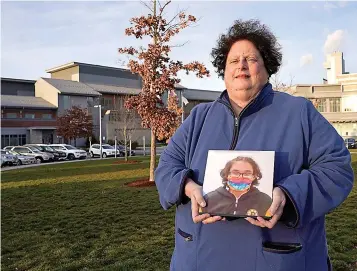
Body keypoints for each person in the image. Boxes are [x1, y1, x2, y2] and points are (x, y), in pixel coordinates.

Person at [155, 19, 354, 271]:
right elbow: (166, 167)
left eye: (251, 58)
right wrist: (187, 186)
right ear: (224, 70)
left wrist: (289, 194)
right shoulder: (199, 117)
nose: (241, 65)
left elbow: (337, 170)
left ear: (267, 67)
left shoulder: (298, 112)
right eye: (233, 60)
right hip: (199, 258)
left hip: (278, 259)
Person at [201, 156, 272, 218]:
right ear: (227, 175)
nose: (241, 177)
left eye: (247, 173)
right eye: (235, 172)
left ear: (254, 176)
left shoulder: (266, 200)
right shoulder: (209, 198)